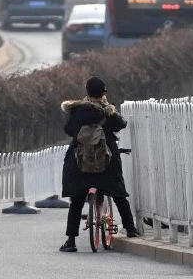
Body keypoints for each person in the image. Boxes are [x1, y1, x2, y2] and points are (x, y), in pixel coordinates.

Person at [59, 76, 140, 252]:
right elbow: (121, 124)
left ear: (87, 92)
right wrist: (108, 107)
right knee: (119, 195)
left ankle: (71, 241)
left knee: (77, 201)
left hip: (80, 166)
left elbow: (68, 129)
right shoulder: (106, 112)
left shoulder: (77, 111)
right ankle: (130, 229)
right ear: (103, 93)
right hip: (106, 166)